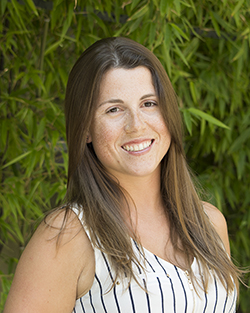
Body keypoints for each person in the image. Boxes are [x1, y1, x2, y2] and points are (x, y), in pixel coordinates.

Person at [4, 37, 241, 313]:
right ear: (86, 129)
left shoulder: (209, 224)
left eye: (149, 103)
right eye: (114, 109)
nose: (136, 125)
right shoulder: (67, 236)